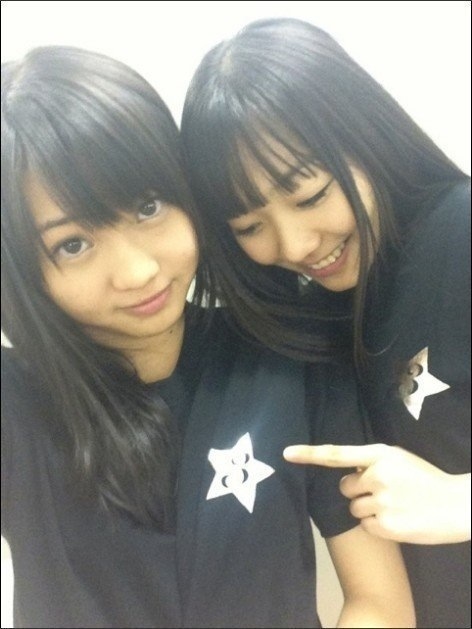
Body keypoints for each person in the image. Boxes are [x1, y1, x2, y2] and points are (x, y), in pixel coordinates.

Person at [0, 46, 415, 629]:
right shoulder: (17, 407)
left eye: (148, 207)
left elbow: (379, 602)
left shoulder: (288, 356)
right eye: (73, 244)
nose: (138, 271)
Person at [180, 16, 471, 629]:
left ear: (365, 134)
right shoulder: (320, 316)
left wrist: (460, 501)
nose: (294, 244)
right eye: (250, 226)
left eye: (310, 195)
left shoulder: (462, 232)